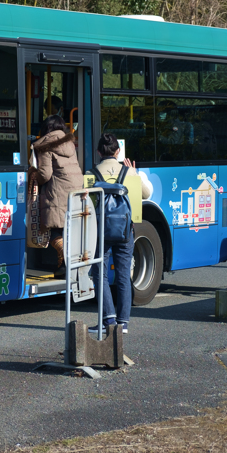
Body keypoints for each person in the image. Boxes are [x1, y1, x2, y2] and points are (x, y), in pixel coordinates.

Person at [90, 133, 153, 335]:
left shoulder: (91, 174)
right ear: (117, 152)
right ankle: (123, 323)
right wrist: (135, 172)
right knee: (124, 274)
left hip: (100, 233)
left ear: (99, 152)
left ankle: (108, 319)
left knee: (99, 273)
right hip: (126, 231)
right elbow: (147, 194)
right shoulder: (129, 173)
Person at [33, 115, 84, 273]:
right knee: (65, 230)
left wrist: (32, 176)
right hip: (75, 190)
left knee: (55, 231)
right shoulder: (69, 143)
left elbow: (45, 174)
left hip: (58, 191)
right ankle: (63, 269)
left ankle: (65, 254)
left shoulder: (46, 145)